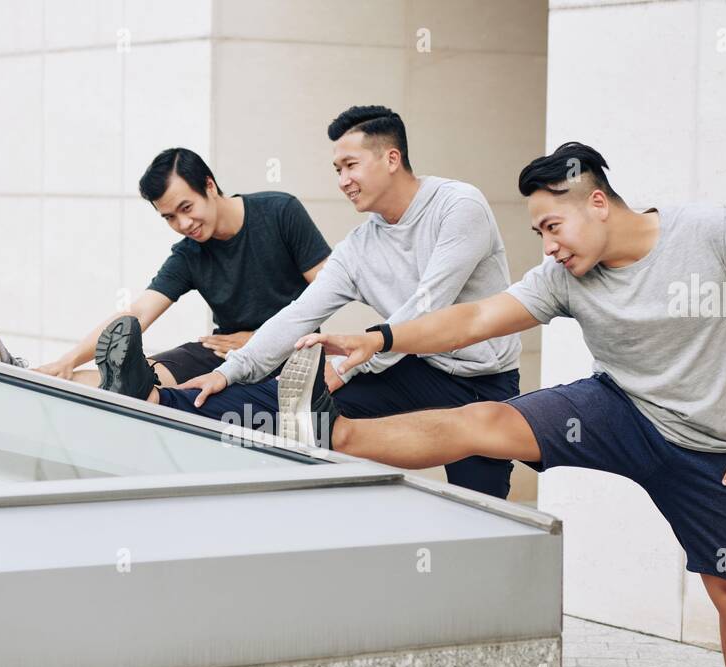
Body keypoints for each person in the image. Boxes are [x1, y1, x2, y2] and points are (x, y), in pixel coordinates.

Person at [289, 141, 726, 667]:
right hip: (616, 408)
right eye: (537, 231)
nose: (547, 245)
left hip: (706, 446)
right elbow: (475, 318)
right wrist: (379, 339)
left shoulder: (709, 233)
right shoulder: (563, 276)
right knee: (485, 423)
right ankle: (332, 431)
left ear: (597, 201)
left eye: (552, 226)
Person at [94, 106, 523, 499]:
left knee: (482, 507)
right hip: (412, 367)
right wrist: (228, 372)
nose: (342, 181)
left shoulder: (458, 206)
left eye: (351, 165)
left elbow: (429, 305)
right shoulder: (359, 247)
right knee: (282, 402)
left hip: (481, 378)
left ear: (392, 159)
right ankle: (154, 400)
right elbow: (298, 315)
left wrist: (353, 360)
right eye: (337, 169)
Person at [0, 147, 330, 389]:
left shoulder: (280, 213)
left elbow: (326, 293)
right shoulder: (189, 253)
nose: (183, 224)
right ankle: (18, 376)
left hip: (292, 352)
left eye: (186, 208)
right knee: (134, 378)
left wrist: (264, 340)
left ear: (210, 185)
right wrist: (67, 360)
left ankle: (20, 377)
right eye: (169, 217)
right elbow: (137, 312)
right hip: (223, 348)